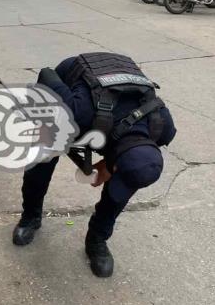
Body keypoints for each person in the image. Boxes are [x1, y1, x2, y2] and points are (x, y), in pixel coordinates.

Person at [12, 53, 177, 278]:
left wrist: (107, 165)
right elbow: (46, 73)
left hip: (117, 100)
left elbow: (128, 168)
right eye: (115, 170)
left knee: (122, 186)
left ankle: (97, 239)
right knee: (42, 157)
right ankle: (31, 215)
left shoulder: (164, 128)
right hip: (77, 80)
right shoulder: (79, 112)